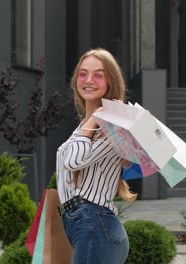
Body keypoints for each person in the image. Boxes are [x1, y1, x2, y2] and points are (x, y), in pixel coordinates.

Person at [56, 48, 137, 264]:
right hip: (84, 225)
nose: (89, 80)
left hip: (95, 225)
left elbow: (73, 161)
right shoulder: (85, 125)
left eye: (98, 75)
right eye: (83, 74)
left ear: (111, 81)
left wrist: (95, 119)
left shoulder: (113, 127)